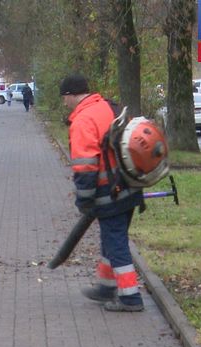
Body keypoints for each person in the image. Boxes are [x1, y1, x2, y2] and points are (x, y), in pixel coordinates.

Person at [60, 74, 145, 312]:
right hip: (129, 185)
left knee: (116, 243)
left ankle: (130, 298)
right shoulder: (108, 106)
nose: (64, 103)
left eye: (64, 98)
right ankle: (107, 287)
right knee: (112, 239)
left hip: (110, 192)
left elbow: (86, 166)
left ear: (71, 95)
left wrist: (84, 200)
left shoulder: (83, 120)